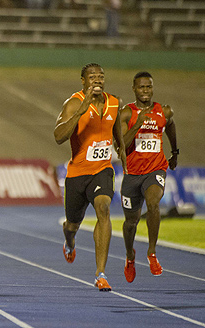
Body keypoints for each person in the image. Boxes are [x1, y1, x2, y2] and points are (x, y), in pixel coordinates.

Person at [54, 63, 127, 292]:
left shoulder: (115, 102)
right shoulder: (74, 102)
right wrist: (82, 108)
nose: (97, 80)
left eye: (101, 76)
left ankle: (100, 273)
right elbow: (58, 136)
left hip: (102, 171)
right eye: (92, 77)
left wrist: (127, 163)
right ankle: (69, 240)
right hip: (77, 174)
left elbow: (118, 139)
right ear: (83, 81)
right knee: (72, 225)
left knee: (103, 209)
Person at [119, 71, 178, 283]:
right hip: (132, 174)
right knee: (131, 223)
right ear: (134, 89)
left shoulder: (164, 111)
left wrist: (175, 152)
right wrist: (138, 124)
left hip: (156, 169)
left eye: (149, 87)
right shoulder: (126, 113)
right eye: (141, 87)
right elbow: (121, 146)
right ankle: (130, 256)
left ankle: (152, 253)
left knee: (153, 204)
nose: (145, 91)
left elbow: (170, 125)